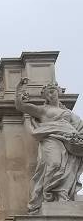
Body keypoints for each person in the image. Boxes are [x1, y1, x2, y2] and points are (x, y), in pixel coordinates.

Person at [16, 78, 83, 209]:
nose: (50, 95)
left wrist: (78, 139)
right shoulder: (42, 110)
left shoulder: (69, 113)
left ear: (58, 92)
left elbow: (80, 127)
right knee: (54, 163)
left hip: (70, 141)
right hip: (51, 138)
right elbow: (20, 106)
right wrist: (19, 89)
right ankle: (48, 194)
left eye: (52, 92)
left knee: (68, 168)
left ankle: (62, 194)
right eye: (47, 93)